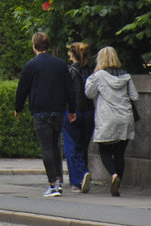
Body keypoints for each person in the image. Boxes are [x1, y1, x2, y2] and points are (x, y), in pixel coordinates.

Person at [14, 31, 75, 197]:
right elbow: (69, 88)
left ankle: (53, 184)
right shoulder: (60, 64)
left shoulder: (31, 65)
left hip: (40, 110)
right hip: (58, 110)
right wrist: (72, 109)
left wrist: (18, 108)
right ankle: (59, 180)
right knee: (55, 145)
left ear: (34, 46)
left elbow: (22, 89)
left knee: (46, 147)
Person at [85, 45, 138, 197]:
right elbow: (134, 96)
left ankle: (113, 174)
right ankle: (118, 185)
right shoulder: (125, 76)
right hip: (125, 118)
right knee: (120, 152)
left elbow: (89, 93)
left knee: (104, 149)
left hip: (107, 117)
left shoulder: (99, 76)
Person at [63, 42, 95, 193]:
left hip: (73, 111)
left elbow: (70, 93)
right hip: (89, 112)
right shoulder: (91, 71)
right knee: (83, 146)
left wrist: (70, 110)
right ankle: (84, 174)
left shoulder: (70, 72)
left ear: (72, 55)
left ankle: (78, 179)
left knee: (71, 146)